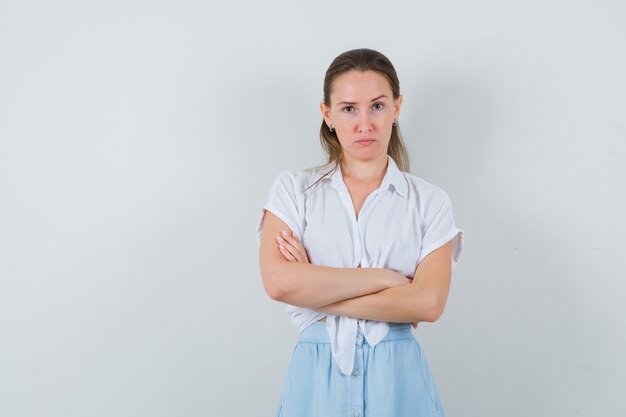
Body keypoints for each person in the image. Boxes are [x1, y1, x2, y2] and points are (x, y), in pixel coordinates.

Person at [256, 48, 464, 417]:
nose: (364, 124)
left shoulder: (430, 202)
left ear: (397, 109)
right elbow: (278, 283)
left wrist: (313, 292)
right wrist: (387, 280)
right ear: (328, 115)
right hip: (315, 379)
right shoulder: (293, 191)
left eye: (378, 106)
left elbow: (428, 304)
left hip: (399, 381)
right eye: (349, 108)